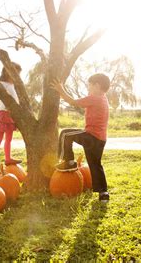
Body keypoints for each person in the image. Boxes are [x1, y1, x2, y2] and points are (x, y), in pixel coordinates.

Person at [51, 73, 111, 202]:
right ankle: (103, 192)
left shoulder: (95, 98)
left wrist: (61, 89)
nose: (88, 89)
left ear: (97, 85)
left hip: (91, 136)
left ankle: (68, 161)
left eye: (90, 86)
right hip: (100, 139)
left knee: (65, 134)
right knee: (95, 165)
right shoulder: (103, 98)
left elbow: (73, 102)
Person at [0, 62, 23, 172]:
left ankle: (8, 158)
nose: (17, 76)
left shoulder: (13, 85)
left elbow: (16, 100)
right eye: (16, 73)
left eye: (18, 74)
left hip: (10, 115)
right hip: (3, 114)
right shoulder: (2, 84)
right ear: (8, 72)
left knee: (9, 139)